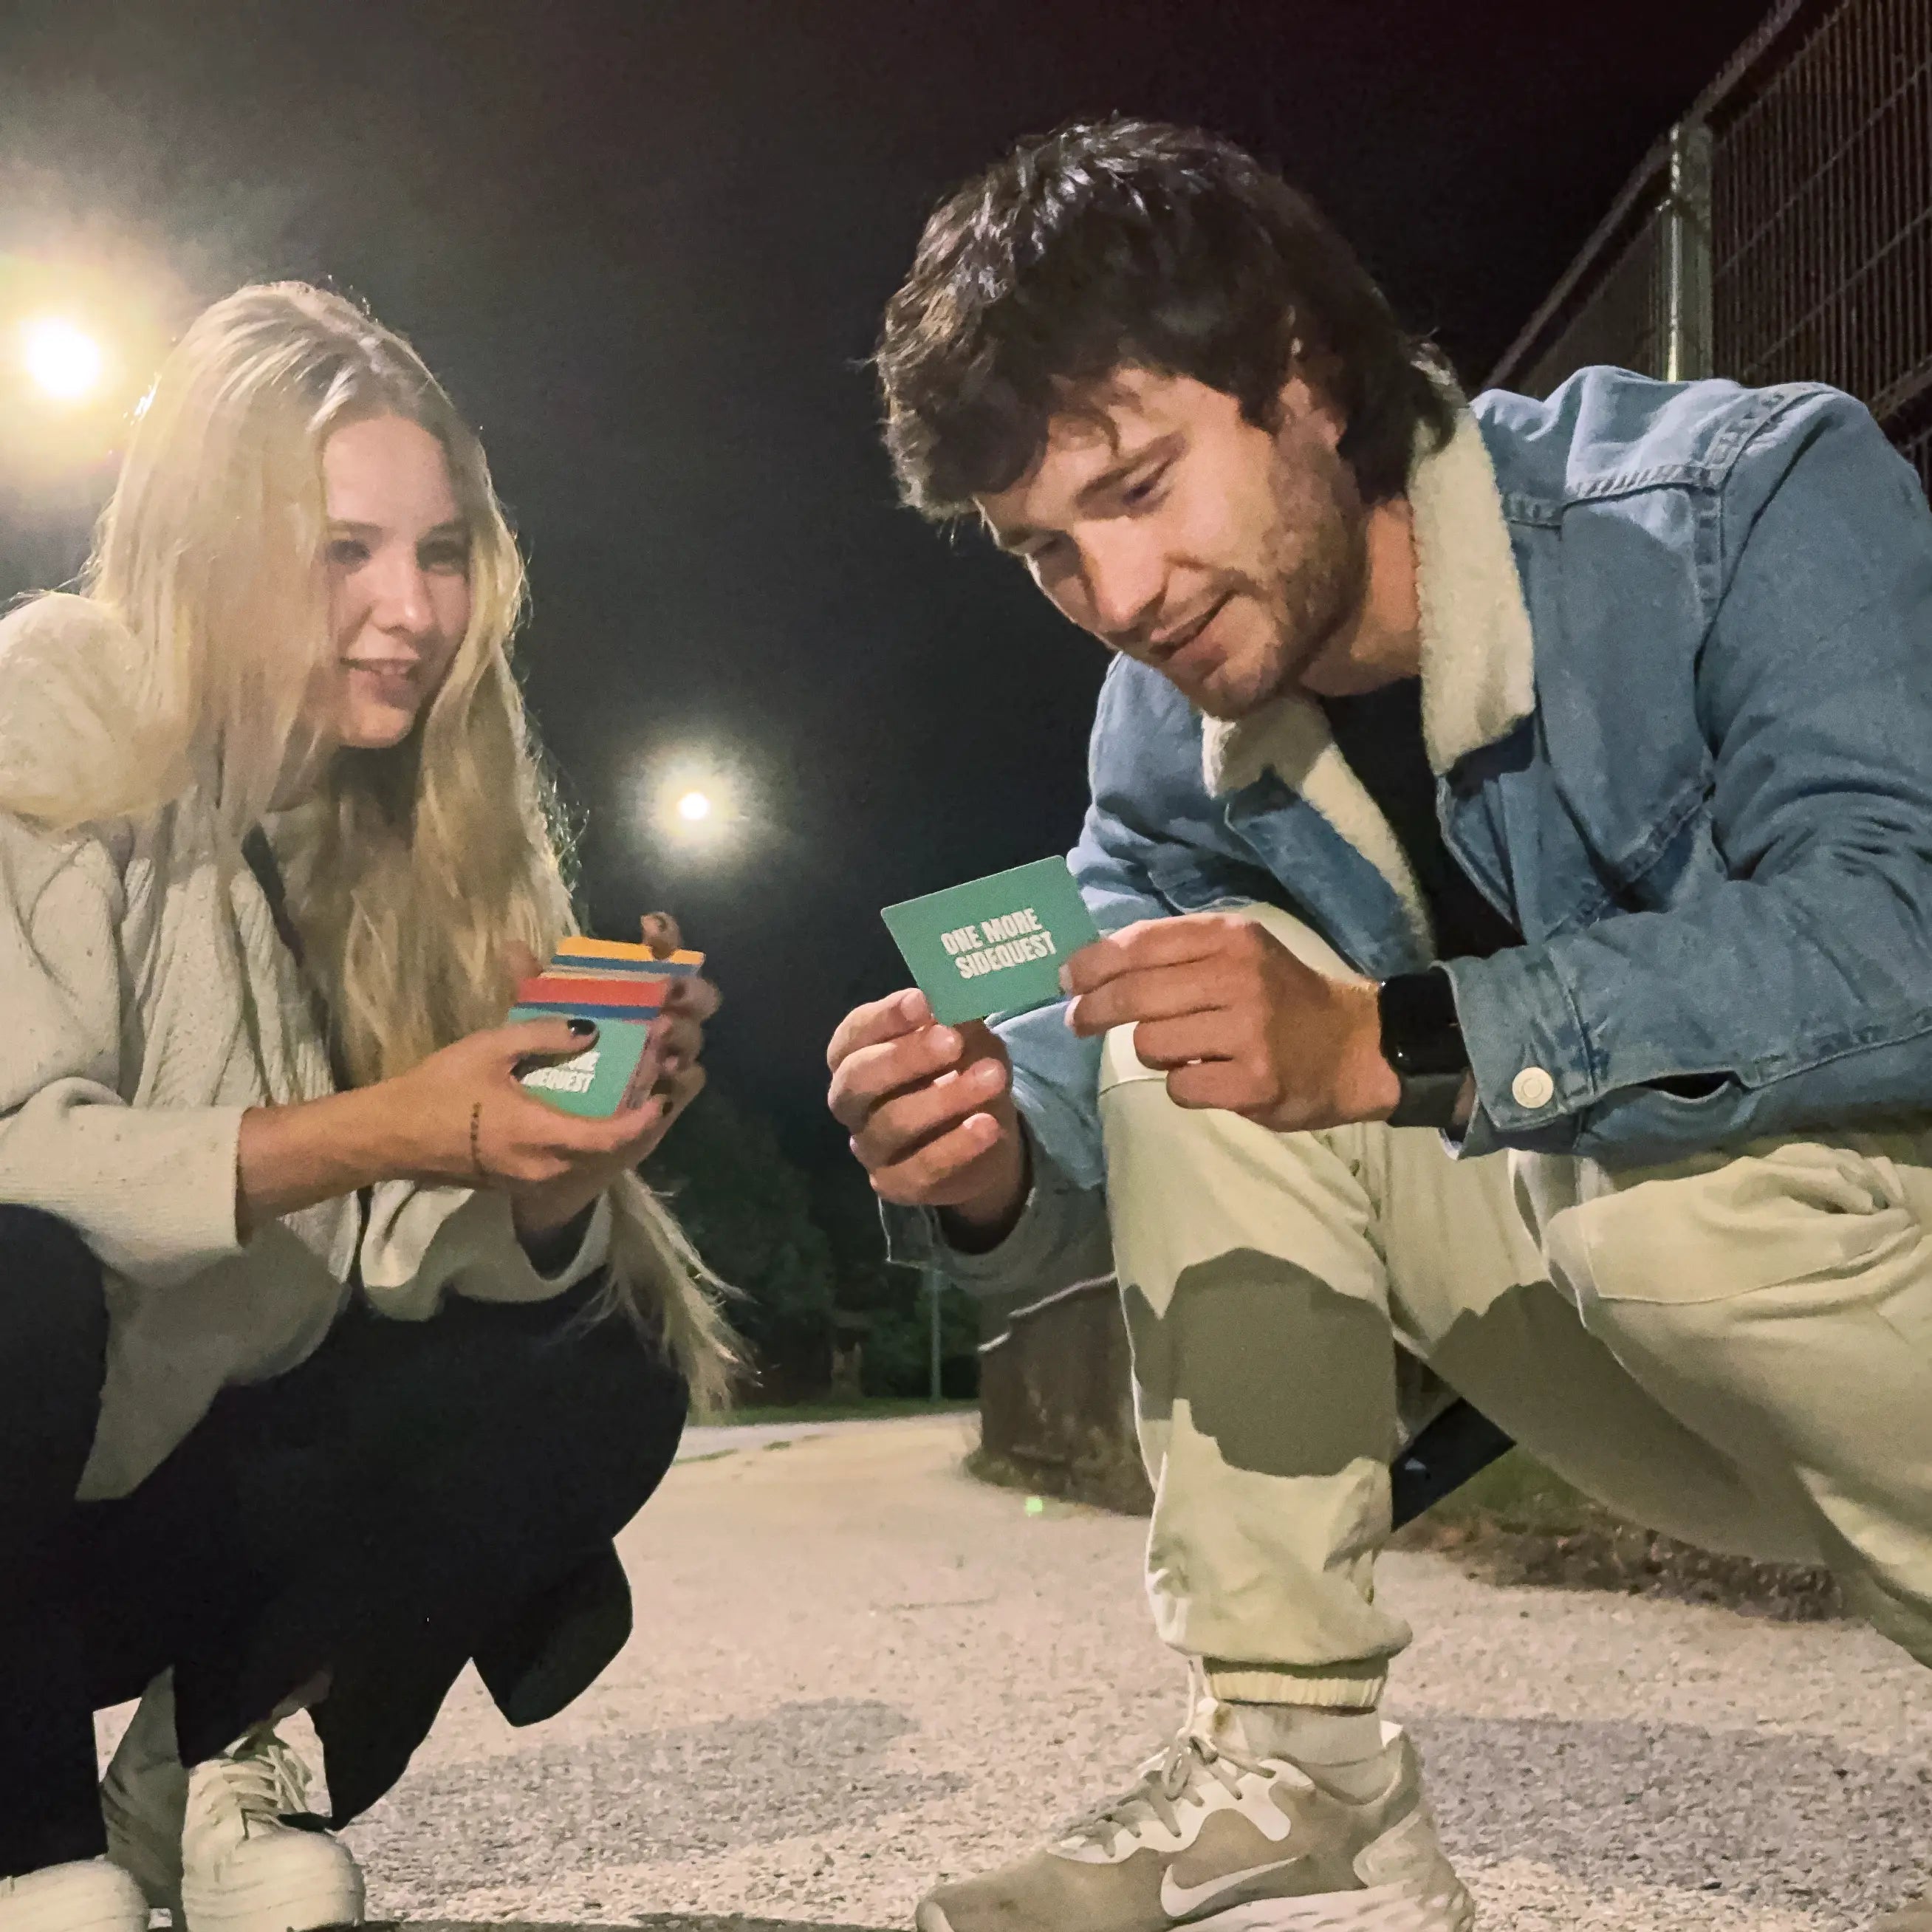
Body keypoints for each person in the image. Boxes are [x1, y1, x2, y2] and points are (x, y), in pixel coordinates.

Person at [826, 117, 1932, 1932]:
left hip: (1865, 1285)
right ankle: (1302, 1773)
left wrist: (1405, 1035)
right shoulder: (1157, 735)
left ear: (1307, 379)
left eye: (1140, 488)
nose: (1120, 602)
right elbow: (1108, 1055)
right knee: (1173, 1022)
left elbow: (1906, 929)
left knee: (1677, 1205)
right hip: (1651, 1340)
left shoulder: (1741, 499)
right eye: (1045, 552)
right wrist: (985, 1147)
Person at [0, 283, 733, 1932]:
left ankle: (222, 1775)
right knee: (16, 1281)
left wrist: (555, 1171)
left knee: (603, 1359)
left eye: (445, 549)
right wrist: (388, 1126)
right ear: (214, 539)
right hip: (21, 1472)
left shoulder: (417, 832)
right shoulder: (58, 697)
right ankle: (19, 1832)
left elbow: (410, 1274)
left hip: (196, 1511)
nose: (413, 608)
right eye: (346, 550)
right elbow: (14, 1149)